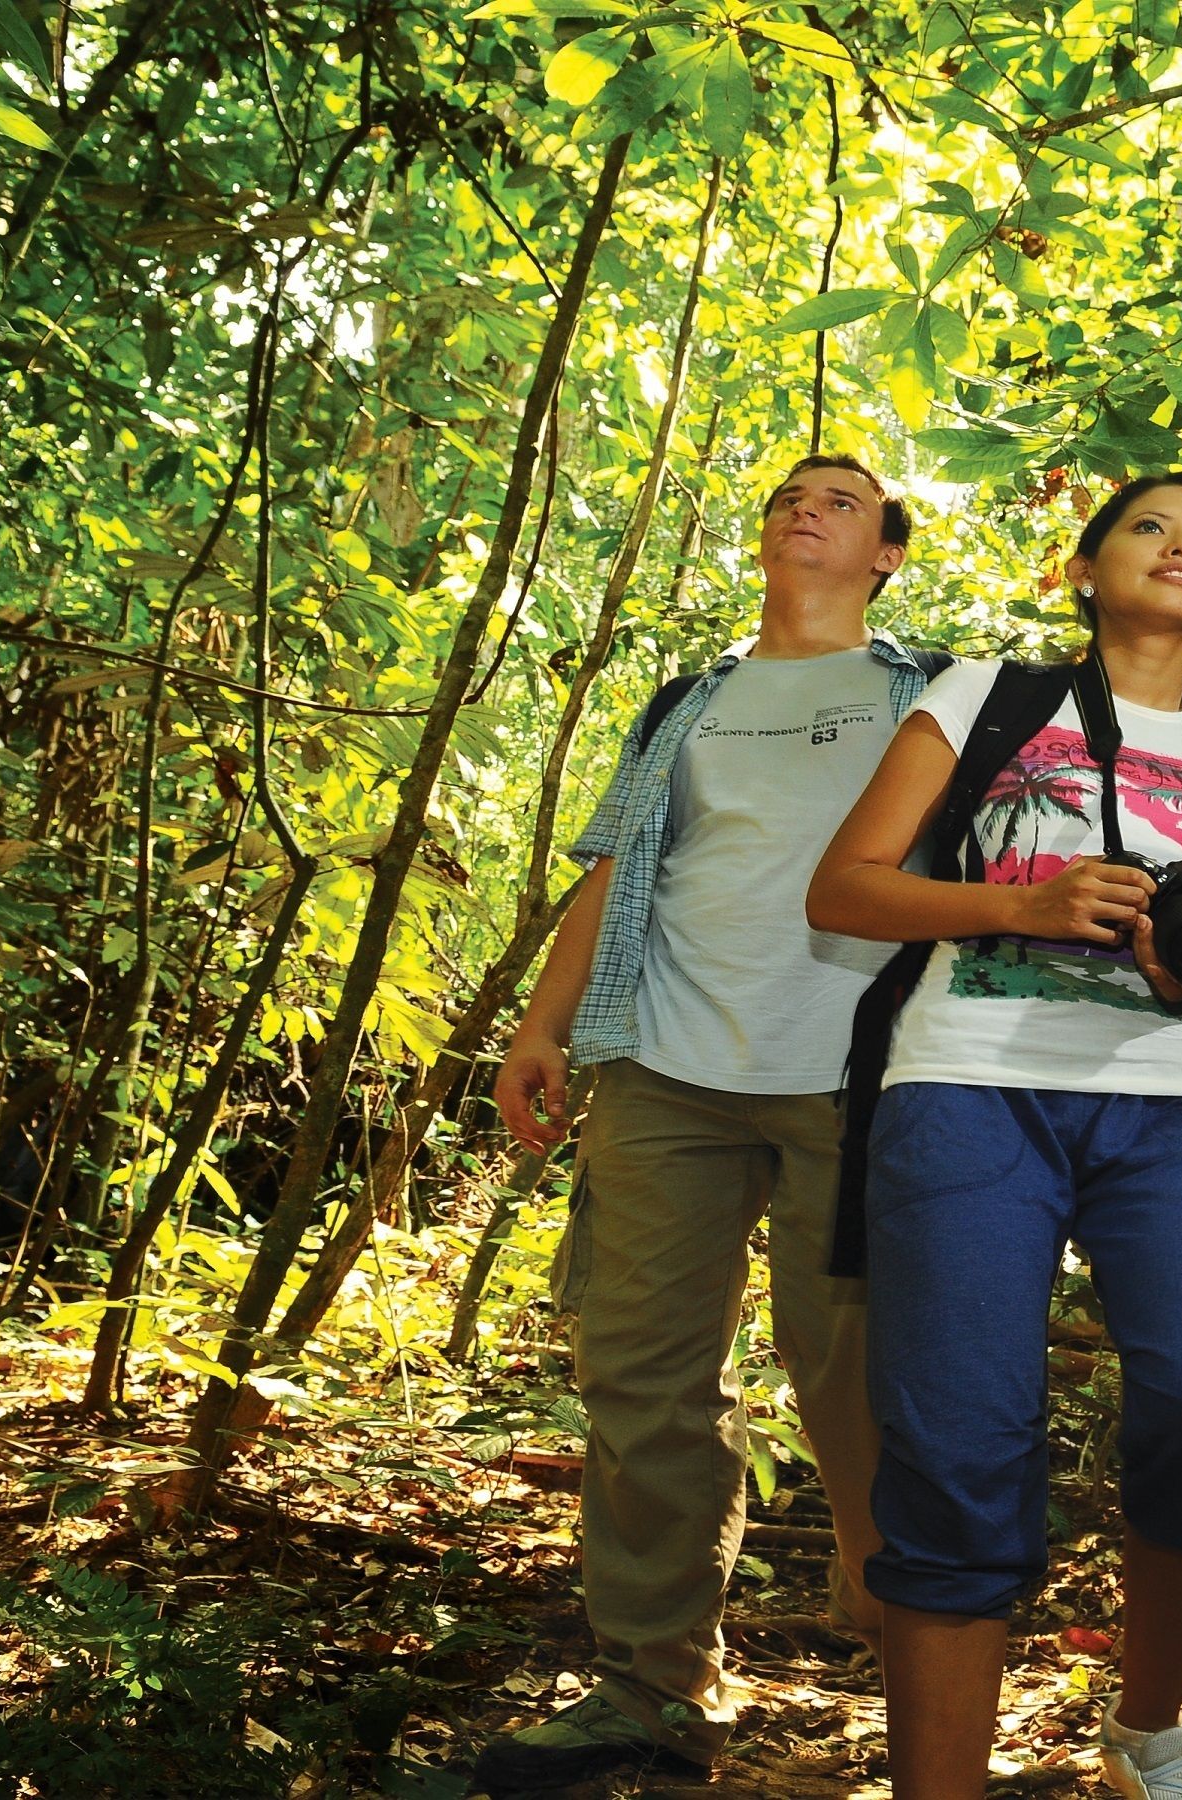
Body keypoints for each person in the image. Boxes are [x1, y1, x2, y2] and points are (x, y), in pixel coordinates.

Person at [806, 471, 1182, 1800]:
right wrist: (1021, 908)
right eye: (1152, 526)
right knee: (958, 1444)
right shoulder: (983, 698)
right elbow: (844, 887)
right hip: (970, 1085)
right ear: (1083, 569)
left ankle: (1148, 1732)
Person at [470, 453, 947, 1792]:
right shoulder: (692, 702)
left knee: (852, 1361)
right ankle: (653, 1687)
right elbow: (618, 866)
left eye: (844, 500)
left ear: (888, 555)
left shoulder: (931, 694)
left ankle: (887, 1590)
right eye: (793, 495)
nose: (809, 507)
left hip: (861, 1072)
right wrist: (539, 1027)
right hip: (668, 1069)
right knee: (642, 1379)